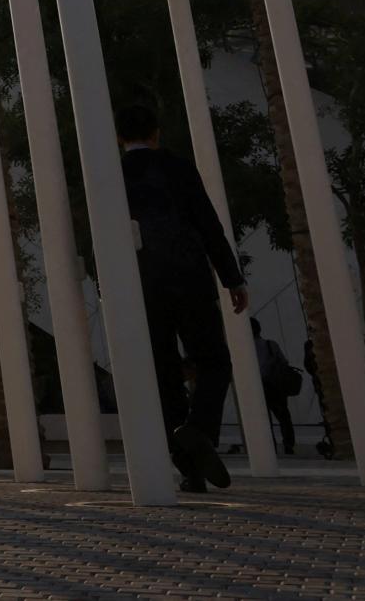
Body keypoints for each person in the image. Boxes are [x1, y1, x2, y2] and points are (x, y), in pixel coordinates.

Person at [116, 99, 245, 494]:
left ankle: (188, 466)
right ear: (156, 133)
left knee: (163, 374)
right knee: (214, 361)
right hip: (189, 276)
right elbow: (208, 223)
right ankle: (199, 429)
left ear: (119, 137)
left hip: (141, 284)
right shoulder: (177, 168)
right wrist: (231, 277)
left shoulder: (110, 175)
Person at [251, 319, 298, 457]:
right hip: (275, 385)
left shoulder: (244, 347)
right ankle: (288, 444)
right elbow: (283, 362)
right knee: (283, 416)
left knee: (263, 419)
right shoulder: (270, 345)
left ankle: (269, 446)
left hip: (257, 386)